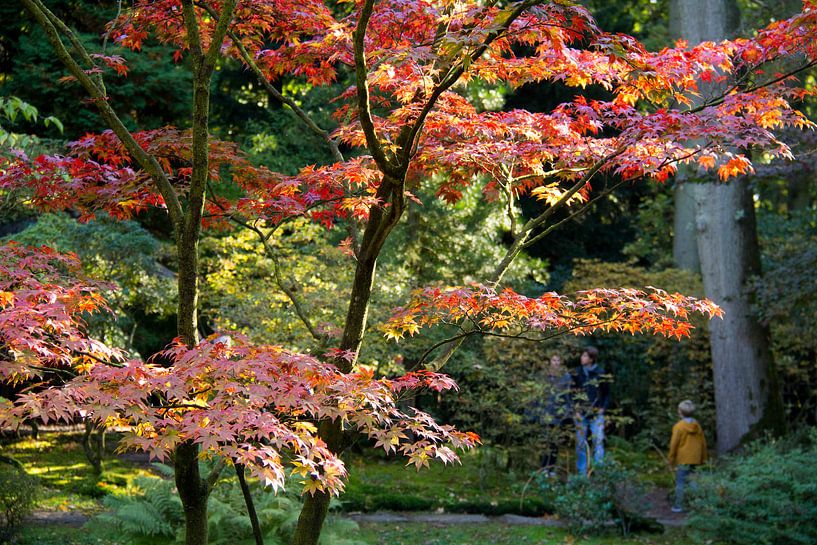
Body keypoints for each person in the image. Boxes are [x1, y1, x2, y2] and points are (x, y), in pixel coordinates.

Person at [572, 346, 610, 475]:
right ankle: (581, 473)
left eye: (584, 356)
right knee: (580, 444)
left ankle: (598, 472)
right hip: (580, 413)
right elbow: (571, 392)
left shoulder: (600, 372)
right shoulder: (577, 373)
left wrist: (602, 409)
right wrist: (575, 409)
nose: (581, 358)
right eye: (582, 355)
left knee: (598, 443)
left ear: (591, 359)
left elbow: (606, 393)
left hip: (596, 413)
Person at [668, 399, 708, 513]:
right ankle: (697, 505)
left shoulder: (678, 426)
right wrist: (704, 458)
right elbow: (703, 443)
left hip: (683, 459)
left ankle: (678, 506)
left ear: (680, 412)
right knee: (693, 481)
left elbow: (673, 444)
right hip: (696, 458)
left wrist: (671, 460)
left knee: (680, 482)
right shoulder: (697, 425)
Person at [539, 354, 573, 474]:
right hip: (545, 413)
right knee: (544, 441)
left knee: (555, 443)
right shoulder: (543, 376)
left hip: (558, 415)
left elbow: (568, 396)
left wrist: (568, 412)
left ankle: (551, 469)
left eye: (558, 360)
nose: (556, 363)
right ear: (550, 361)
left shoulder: (565, 377)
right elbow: (538, 395)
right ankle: (543, 468)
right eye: (554, 360)